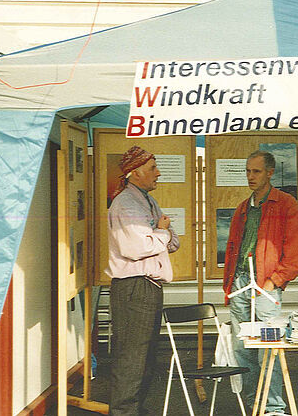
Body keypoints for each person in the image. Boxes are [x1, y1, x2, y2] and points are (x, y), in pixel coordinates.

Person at [223, 150, 298, 415]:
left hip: (266, 286)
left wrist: (275, 280)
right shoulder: (243, 207)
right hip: (240, 283)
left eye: (256, 171)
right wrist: (230, 284)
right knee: (243, 348)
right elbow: (233, 248)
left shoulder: (285, 204)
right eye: (248, 171)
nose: (250, 176)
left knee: (268, 349)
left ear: (270, 173)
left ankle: (273, 408)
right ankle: (254, 405)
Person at [106, 145, 179, 416]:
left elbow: (173, 241)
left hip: (147, 286)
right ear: (135, 172)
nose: (158, 173)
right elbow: (137, 248)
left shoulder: (146, 201)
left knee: (145, 358)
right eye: (153, 168)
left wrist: (159, 234)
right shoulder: (126, 203)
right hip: (134, 286)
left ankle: (135, 410)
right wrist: (161, 232)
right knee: (132, 357)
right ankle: (124, 412)